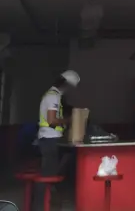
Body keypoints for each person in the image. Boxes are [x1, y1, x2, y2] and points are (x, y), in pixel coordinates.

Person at [34, 70, 80, 211]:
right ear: (65, 85)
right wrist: (69, 120)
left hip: (50, 139)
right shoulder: (53, 97)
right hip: (49, 140)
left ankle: (46, 204)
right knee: (48, 175)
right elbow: (52, 120)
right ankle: (40, 206)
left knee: (51, 172)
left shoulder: (53, 96)